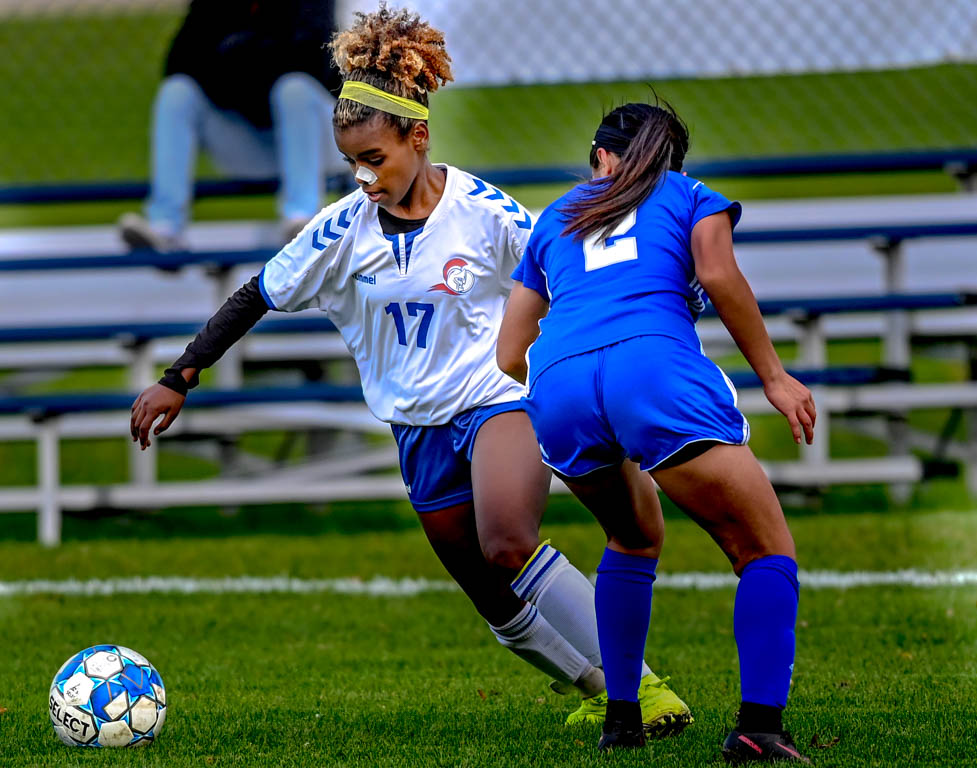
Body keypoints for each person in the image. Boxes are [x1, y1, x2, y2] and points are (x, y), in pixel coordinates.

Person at [128, 4, 691, 735]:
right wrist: (178, 377)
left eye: (375, 159)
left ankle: (640, 690)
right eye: (350, 164)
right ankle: (593, 687)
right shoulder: (340, 231)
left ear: (417, 138)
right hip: (414, 425)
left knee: (507, 541)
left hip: (499, 400)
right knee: (489, 590)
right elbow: (254, 295)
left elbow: (566, 272)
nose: (362, 178)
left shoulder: (485, 213)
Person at [496, 101, 816, 759]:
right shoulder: (688, 193)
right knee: (762, 548)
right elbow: (719, 276)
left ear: (601, 156)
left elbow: (507, 353)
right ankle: (758, 726)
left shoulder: (556, 215)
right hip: (649, 366)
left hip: (556, 381)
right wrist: (777, 379)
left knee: (632, 537)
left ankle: (622, 719)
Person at [119, 0, 346, 251]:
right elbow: (179, 62)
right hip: (248, 140)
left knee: (294, 88)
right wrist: (252, 57)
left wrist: (234, 54)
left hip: (319, 142)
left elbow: (314, 60)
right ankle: (165, 228)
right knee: (177, 92)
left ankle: (303, 220)